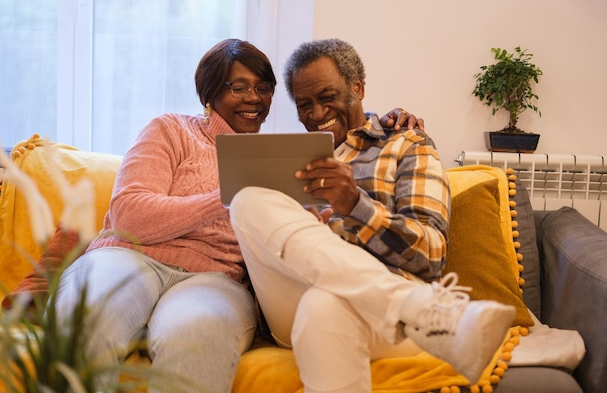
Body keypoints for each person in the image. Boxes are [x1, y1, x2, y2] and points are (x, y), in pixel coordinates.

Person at [53, 38, 422, 393]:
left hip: (216, 278)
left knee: (197, 335)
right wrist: (229, 193)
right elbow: (129, 216)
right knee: (90, 315)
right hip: (127, 257)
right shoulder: (171, 130)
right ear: (209, 94)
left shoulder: (280, 154)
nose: (254, 99)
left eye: (263, 88)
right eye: (239, 87)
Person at [229, 38, 515, 393]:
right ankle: (426, 311)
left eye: (326, 97)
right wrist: (306, 228)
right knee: (247, 200)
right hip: (293, 299)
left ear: (357, 87)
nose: (316, 114)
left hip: (376, 316)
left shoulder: (406, 143)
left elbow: (432, 255)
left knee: (324, 307)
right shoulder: (286, 160)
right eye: (304, 105)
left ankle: (414, 307)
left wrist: (354, 206)